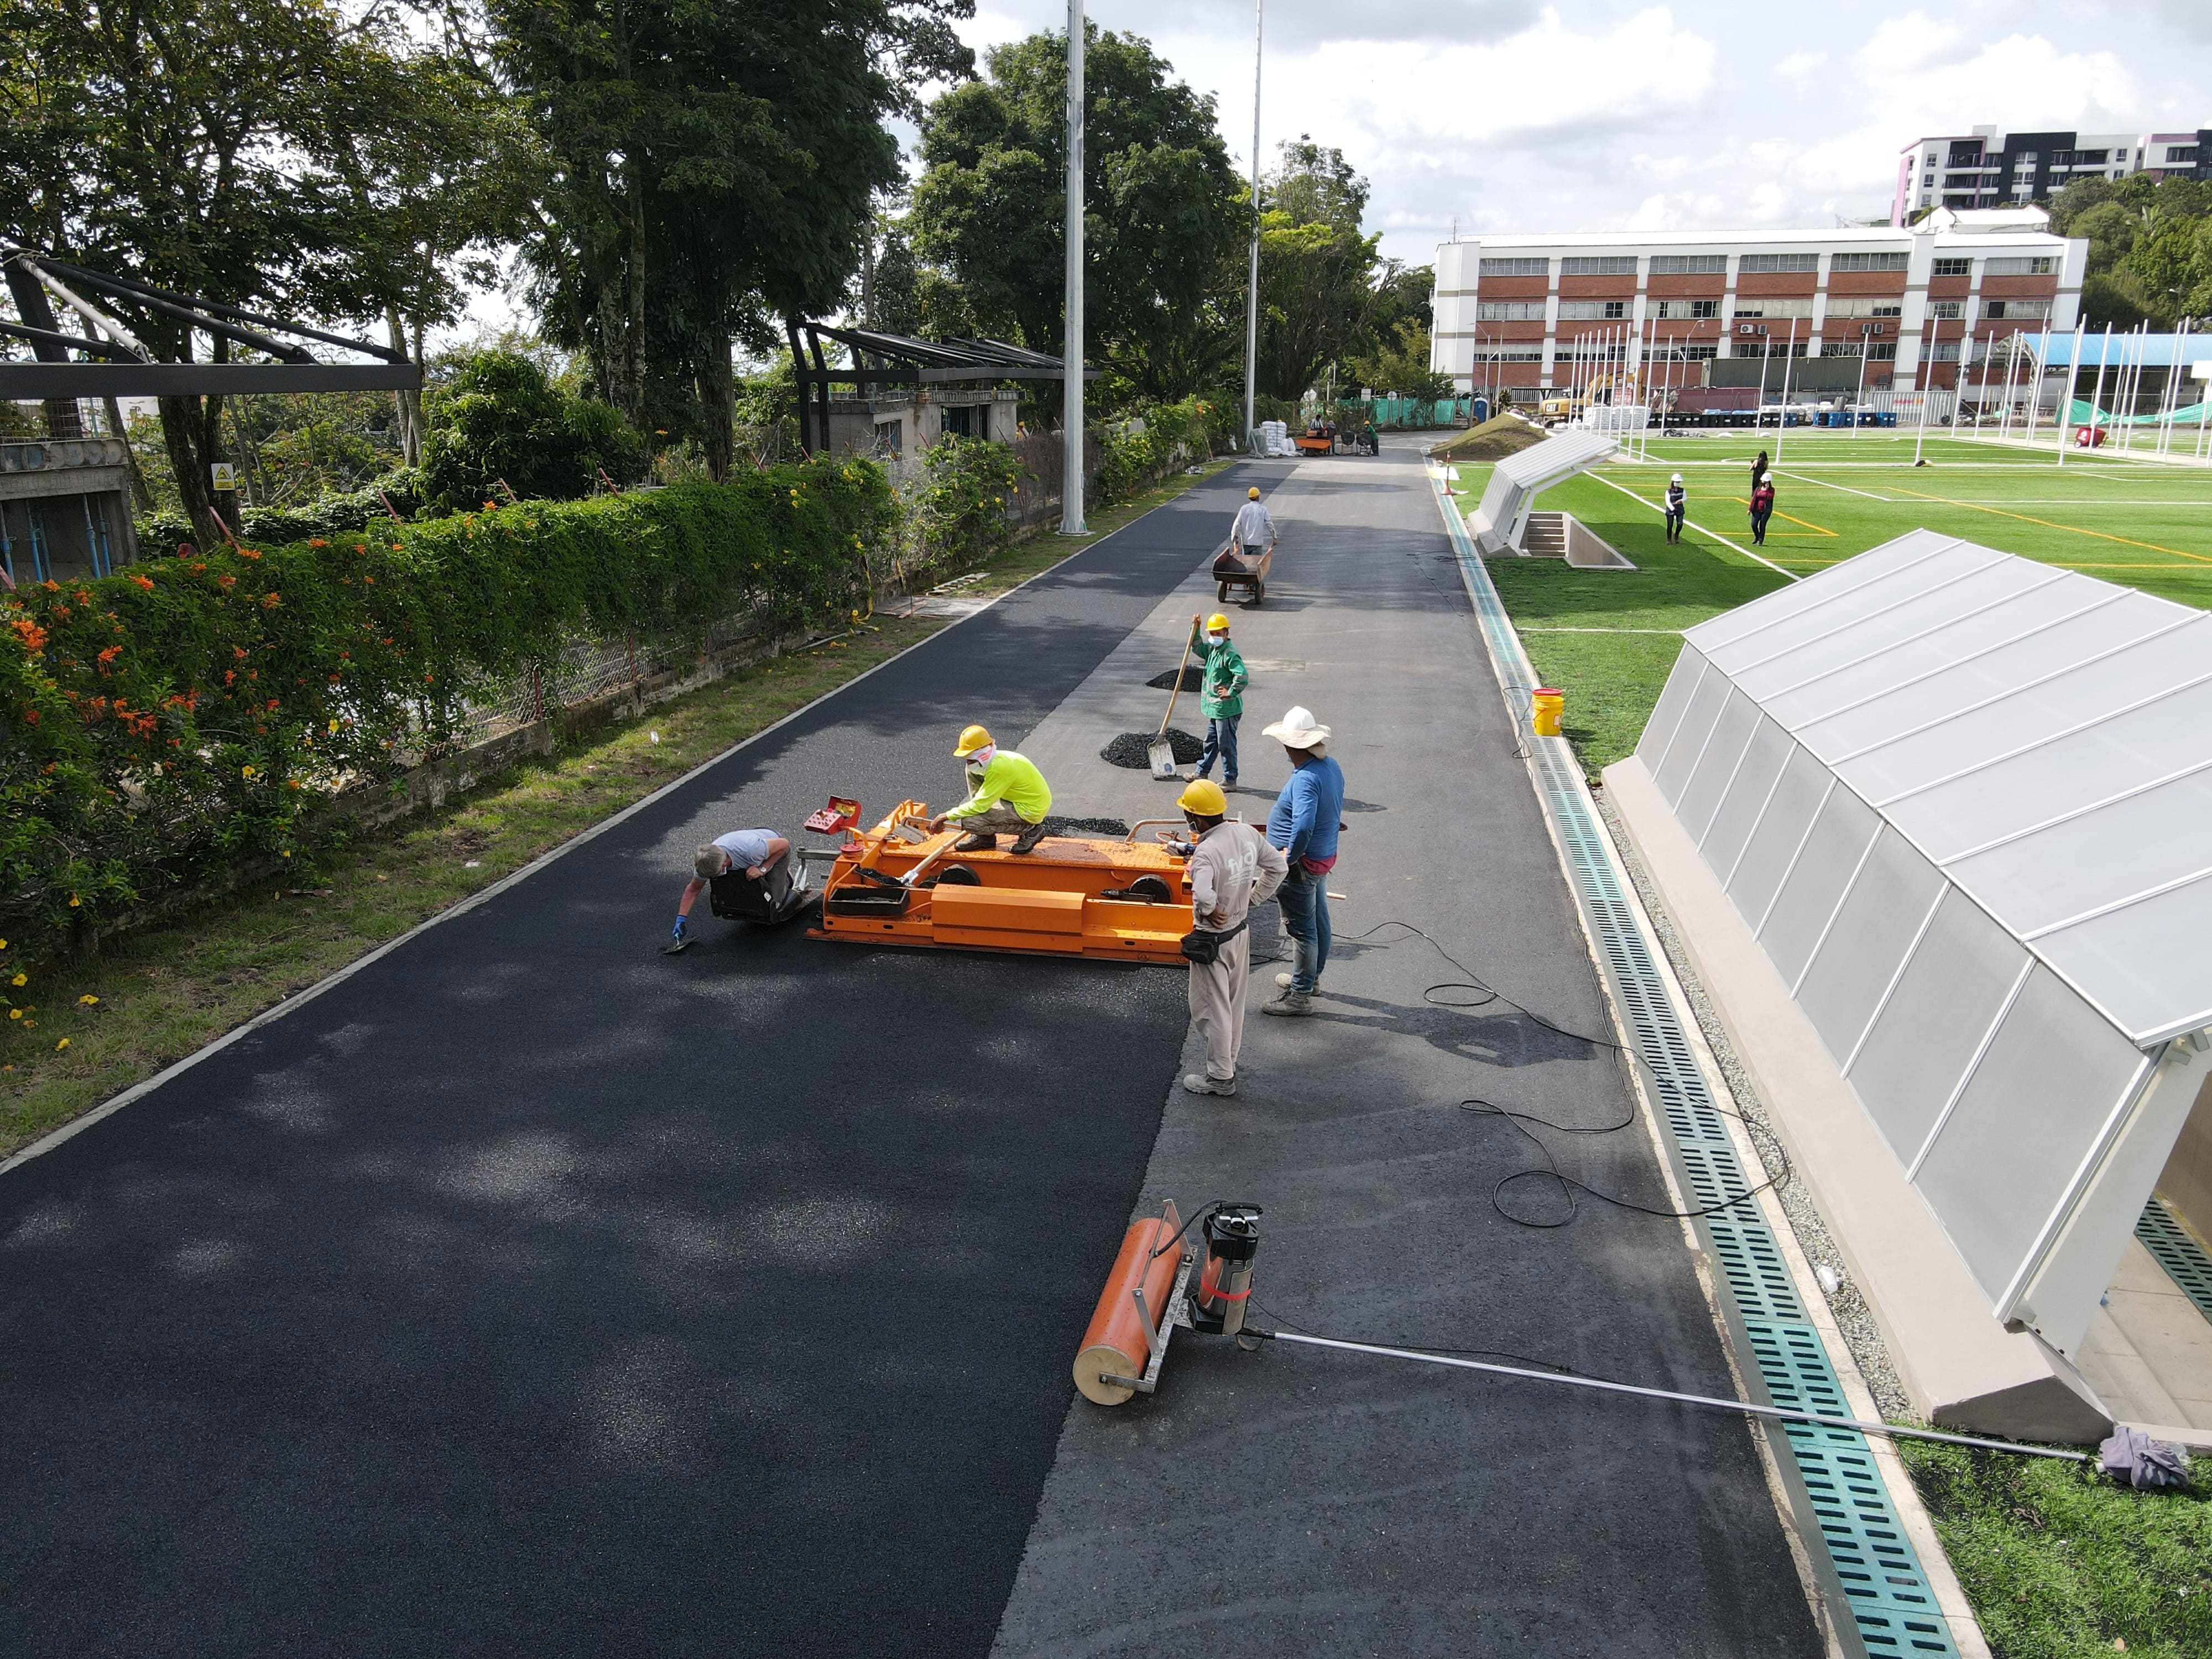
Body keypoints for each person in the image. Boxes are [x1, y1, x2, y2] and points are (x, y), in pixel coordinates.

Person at [1176, 779, 1288, 1097]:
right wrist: (1254, 897)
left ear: (1196, 819)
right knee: (1234, 1006)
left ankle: (1220, 1077)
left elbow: (1202, 894)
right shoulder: (1246, 832)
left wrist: (1208, 910)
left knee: (1213, 1010)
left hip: (1214, 941)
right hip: (1241, 933)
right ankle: (1229, 1061)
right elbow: (1279, 867)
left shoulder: (1206, 852)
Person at [1260, 706, 1344, 1016]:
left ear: (1290, 745)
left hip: (1301, 866)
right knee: (1319, 918)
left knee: (1302, 929)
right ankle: (1311, 979)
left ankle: (1299, 996)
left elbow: (1304, 824)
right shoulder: (1330, 767)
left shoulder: (1306, 779)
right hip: (1322, 858)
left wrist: (1287, 858)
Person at [927, 723, 1052, 854]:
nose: (968, 764)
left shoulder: (1000, 769)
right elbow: (980, 803)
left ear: (981, 755)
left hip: (1030, 809)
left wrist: (946, 816)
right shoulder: (994, 760)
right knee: (972, 772)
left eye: (971, 760)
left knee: (971, 822)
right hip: (1019, 799)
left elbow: (981, 805)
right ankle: (985, 838)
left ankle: (1031, 831)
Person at [667, 827, 792, 951]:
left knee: (773, 905)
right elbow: (693, 890)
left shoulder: (752, 849)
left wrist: (762, 869)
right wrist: (681, 920)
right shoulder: (704, 863)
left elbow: (784, 844)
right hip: (750, 853)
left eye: (714, 875)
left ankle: (787, 879)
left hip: (774, 846)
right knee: (745, 895)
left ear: (724, 864)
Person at [1188, 611, 1248, 789]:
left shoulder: (1229, 654)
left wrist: (1231, 691)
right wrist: (1196, 628)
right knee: (1211, 742)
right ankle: (1202, 772)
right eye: (1212, 634)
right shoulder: (1213, 650)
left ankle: (1230, 779)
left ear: (1226, 633)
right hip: (1216, 709)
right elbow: (1197, 647)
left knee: (1226, 745)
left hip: (1227, 710)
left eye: (1218, 634)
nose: (1214, 637)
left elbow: (1242, 675)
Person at [1230, 485, 1275, 559]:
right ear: (1258, 497)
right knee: (1256, 563)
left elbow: (1237, 524)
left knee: (1247, 563)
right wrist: (1275, 538)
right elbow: (1269, 524)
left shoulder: (1244, 509)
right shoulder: (1263, 509)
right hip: (1257, 542)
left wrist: (1234, 536)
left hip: (1246, 542)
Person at [1749, 471, 1776, 546]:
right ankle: (1757, 536)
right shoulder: (1758, 489)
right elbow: (1754, 499)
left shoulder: (1771, 490)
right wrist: (1750, 509)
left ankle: (1761, 540)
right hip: (1757, 510)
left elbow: (1770, 497)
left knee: (1762, 525)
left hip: (1765, 511)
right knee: (1754, 524)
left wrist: (1767, 490)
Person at [1663, 473, 1687, 543]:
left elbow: (1685, 498)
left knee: (1680, 524)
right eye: (1677, 482)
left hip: (1680, 509)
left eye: (1679, 482)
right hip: (1671, 510)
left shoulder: (1682, 490)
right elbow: (1668, 502)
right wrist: (1672, 508)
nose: (1678, 483)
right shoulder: (1669, 491)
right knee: (1670, 525)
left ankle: (1676, 535)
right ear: (1673, 482)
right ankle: (1669, 539)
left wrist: (1681, 501)